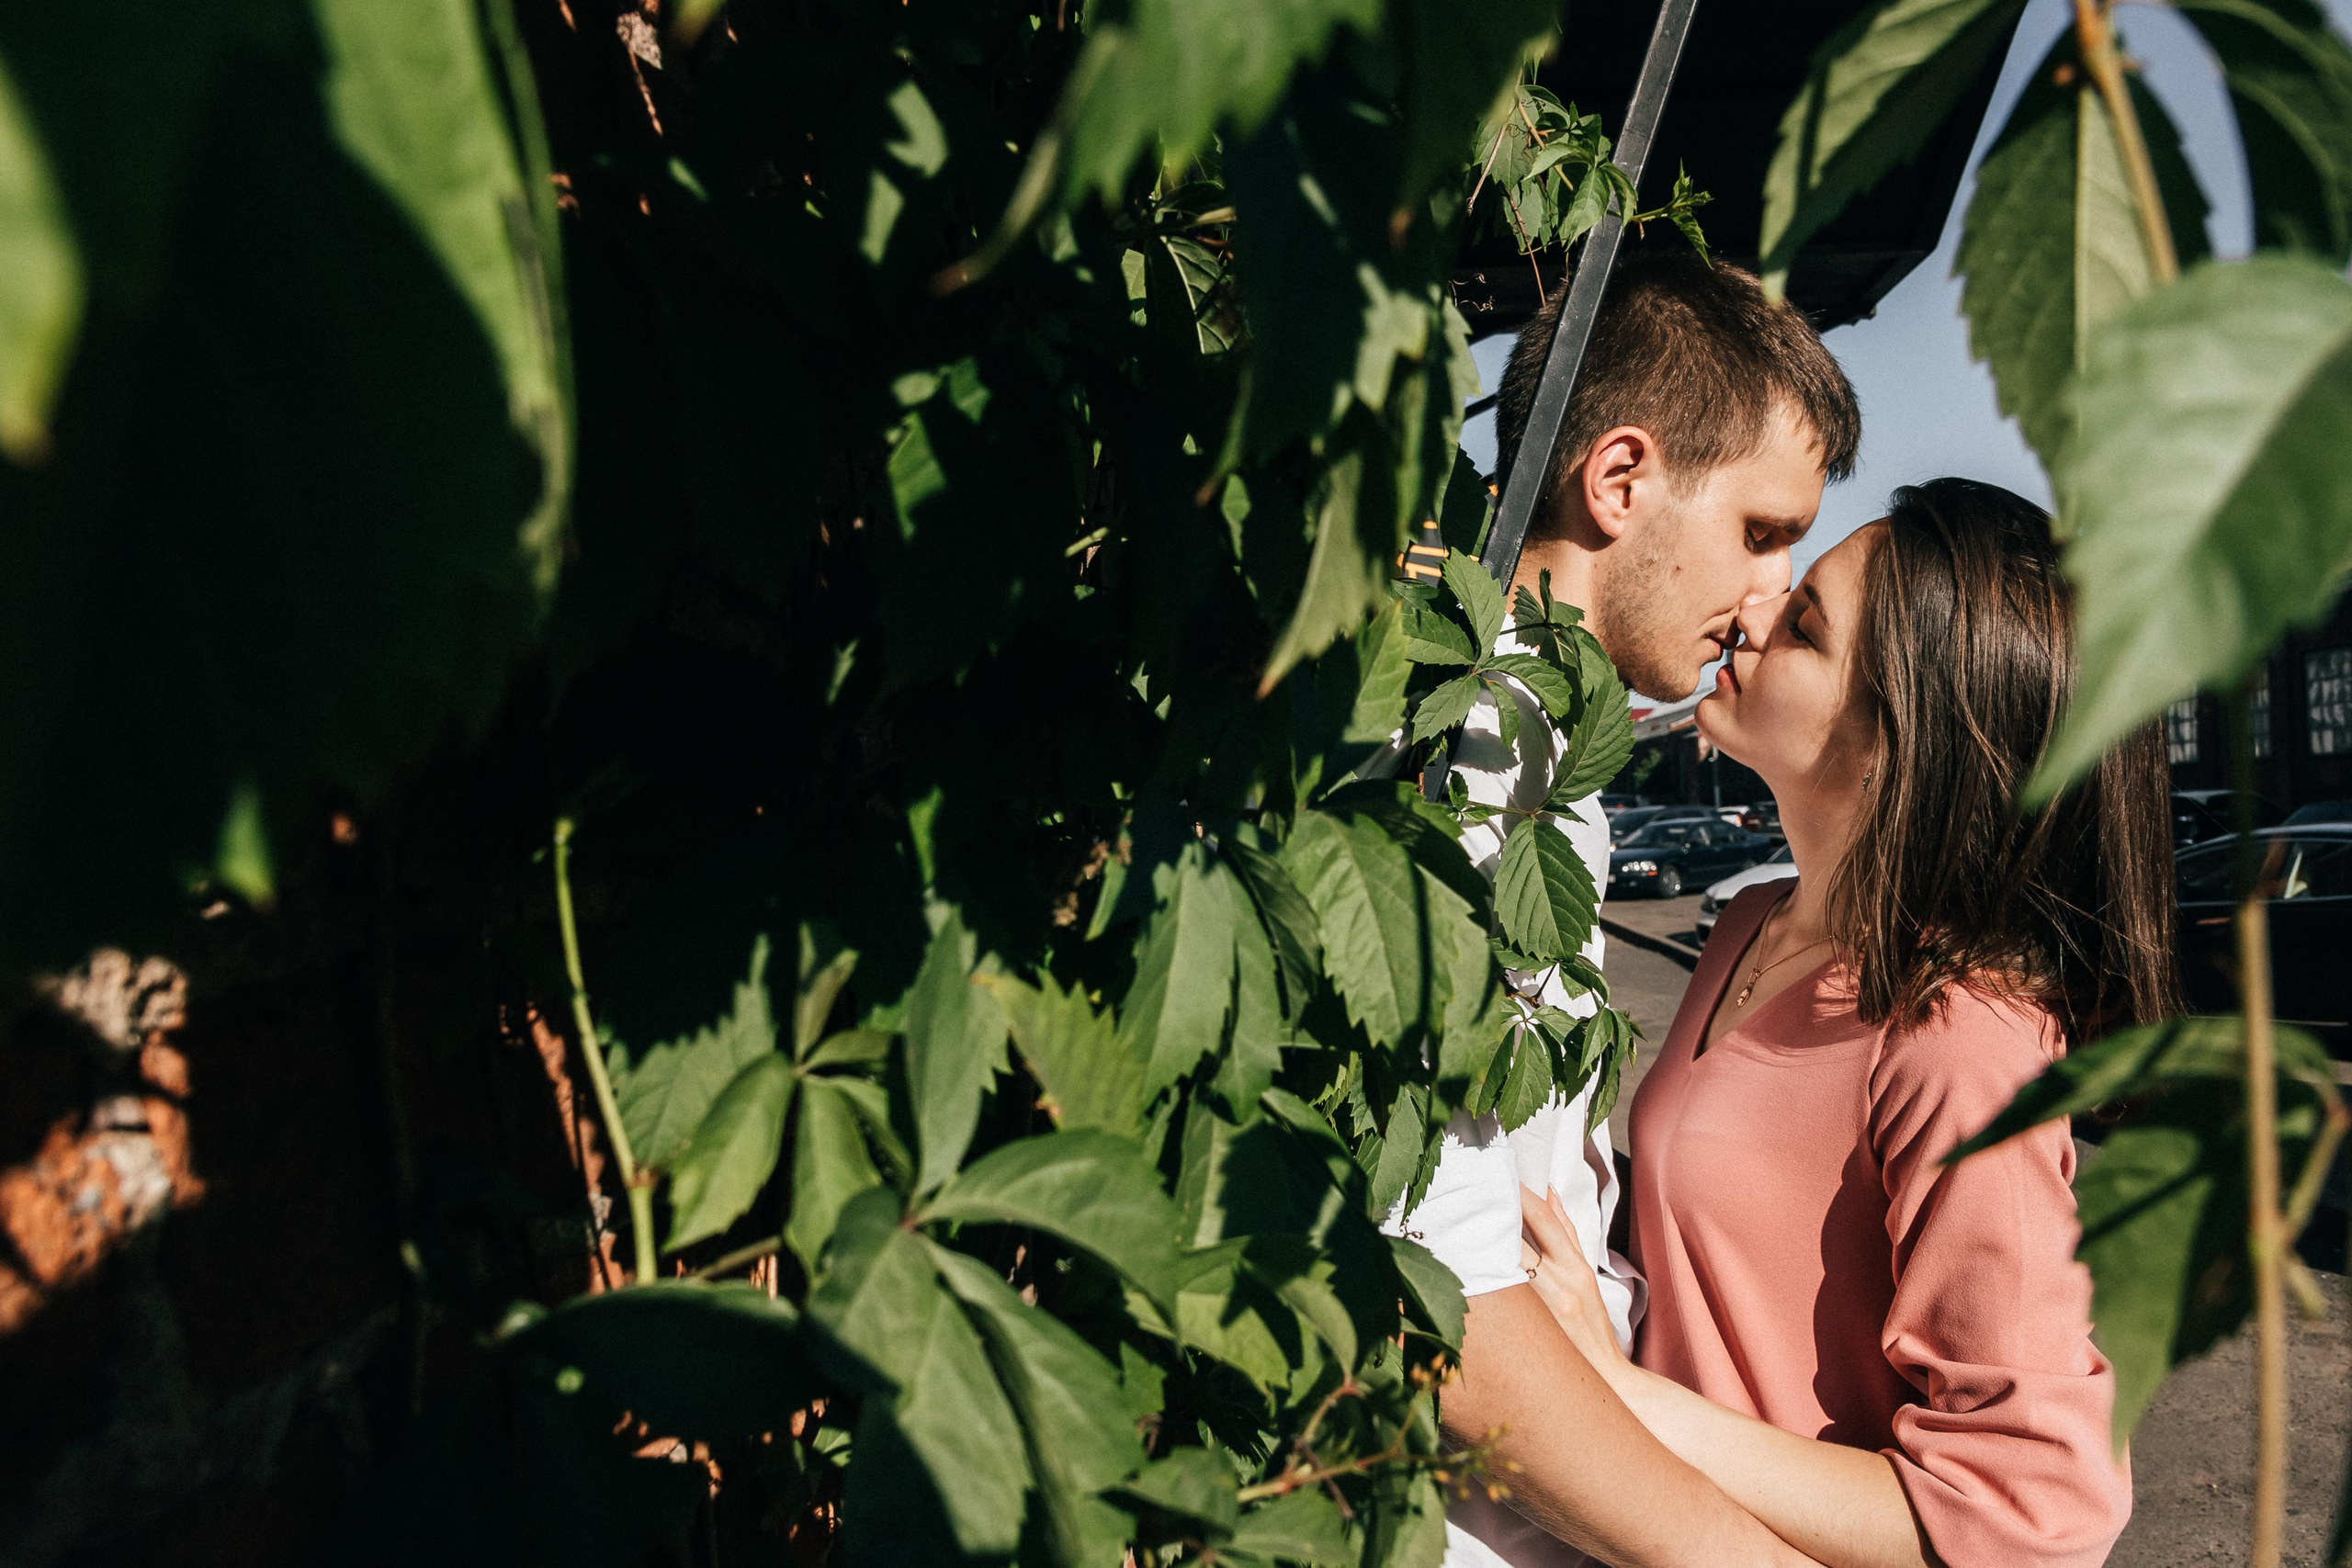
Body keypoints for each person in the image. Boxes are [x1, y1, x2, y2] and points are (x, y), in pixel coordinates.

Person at [1519, 479, 2172, 1568]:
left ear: (1891, 745)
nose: (1754, 610)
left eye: (1807, 627)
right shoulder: (1743, 925)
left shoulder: (1960, 1043)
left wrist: (1617, 1396)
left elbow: (2031, 1520)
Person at [1383, 254, 1862, 1568]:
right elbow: (1446, 1306)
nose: (1769, 594)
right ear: (1620, 477)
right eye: (1761, 532)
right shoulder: (1491, 763)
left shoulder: (1547, 750)